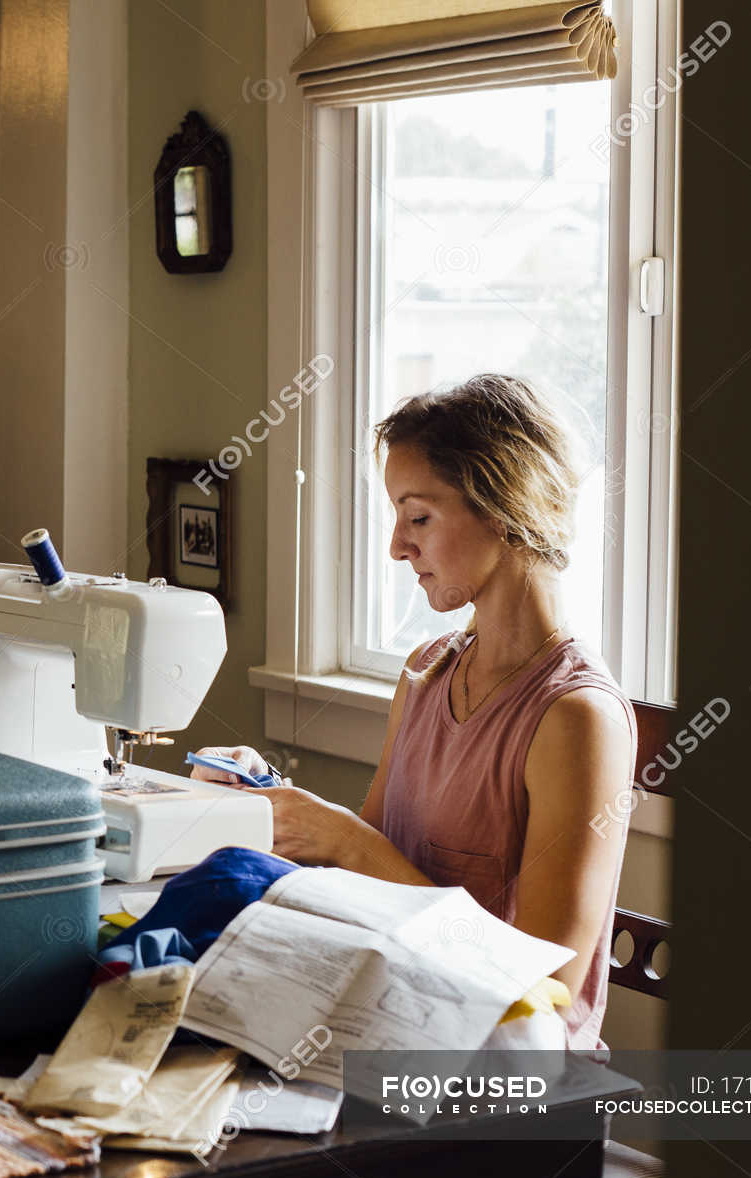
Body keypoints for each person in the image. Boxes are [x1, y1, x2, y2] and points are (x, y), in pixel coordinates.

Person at [195, 374, 636, 1054]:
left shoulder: (575, 718)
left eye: (419, 518)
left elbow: (548, 987)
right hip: (394, 1020)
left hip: (509, 1080)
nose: (397, 547)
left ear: (506, 507)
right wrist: (274, 805)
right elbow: (368, 873)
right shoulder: (427, 672)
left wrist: (349, 843)